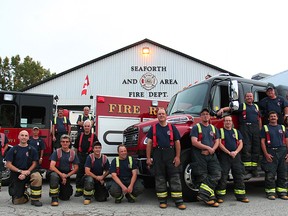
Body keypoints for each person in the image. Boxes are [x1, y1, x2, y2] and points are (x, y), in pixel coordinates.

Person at [146, 108, 186, 210]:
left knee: (175, 178)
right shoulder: (153, 128)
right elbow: (149, 143)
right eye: (159, 114)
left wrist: (177, 157)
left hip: (170, 154)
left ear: (166, 115)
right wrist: (148, 158)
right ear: (157, 116)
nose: (161, 115)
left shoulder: (172, 128)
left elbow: (177, 142)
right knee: (160, 178)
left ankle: (178, 201)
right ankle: (162, 201)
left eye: (163, 114)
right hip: (158, 154)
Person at [217, 92, 262, 177]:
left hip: (255, 129)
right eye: (247, 96)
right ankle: (247, 169)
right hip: (245, 128)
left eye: (251, 96)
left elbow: (259, 119)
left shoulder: (256, 107)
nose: (249, 98)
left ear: (253, 98)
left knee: (256, 148)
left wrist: (260, 129)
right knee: (246, 147)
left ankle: (254, 169)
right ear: (245, 98)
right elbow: (231, 108)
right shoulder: (242, 106)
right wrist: (222, 109)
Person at [190, 108, 221, 207]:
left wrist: (212, 150)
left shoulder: (213, 128)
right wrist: (208, 148)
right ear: (200, 116)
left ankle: (203, 194)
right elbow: (194, 142)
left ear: (209, 116)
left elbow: (217, 141)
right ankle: (210, 198)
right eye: (203, 114)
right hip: (199, 155)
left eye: (207, 114)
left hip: (211, 155)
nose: (205, 116)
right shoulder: (196, 127)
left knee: (217, 174)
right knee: (202, 176)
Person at [215, 115, 249, 203]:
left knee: (239, 176)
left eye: (229, 120)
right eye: (226, 120)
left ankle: (241, 196)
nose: (228, 122)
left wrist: (235, 152)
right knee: (223, 176)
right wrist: (228, 152)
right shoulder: (220, 131)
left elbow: (241, 143)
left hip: (236, 156)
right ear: (224, 122)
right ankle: (220, 196)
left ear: (232, 122)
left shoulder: (236, 132)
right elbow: (219, 144)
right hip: (224, 156)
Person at [5, 130, 43, 206]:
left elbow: (35, 163)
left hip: (29, 172)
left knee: (37, 177)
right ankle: (26, 194)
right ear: (18, 137)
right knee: (17, 201)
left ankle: (35, 199)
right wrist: (20, 171)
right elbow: (8, 164)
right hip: (17, 174)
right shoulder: (13, 149)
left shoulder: (32, 150)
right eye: (22, 135)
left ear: (28, 138)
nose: (24, 137)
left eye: (26, 136)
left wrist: (27, 171)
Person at [260, 111, 288, 200]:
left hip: (282, 151)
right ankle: (270, 192)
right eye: (271, 116)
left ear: (277, 118)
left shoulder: (282, 128)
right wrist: (266, 154)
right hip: (271, 151)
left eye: (274, 116)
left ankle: (282, 192)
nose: (273, 118)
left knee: (282, 173)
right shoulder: (265, 128)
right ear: (268, 118)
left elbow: (287, 141)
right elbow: (262, 142)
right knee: (270, 174)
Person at [48, 134, 79, 206]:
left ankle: (62, 190)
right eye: (63, 141)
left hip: (66, 174)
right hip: (56, 172)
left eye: (67, 142)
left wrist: (67, 176)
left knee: (65, 197)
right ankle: (54, 198)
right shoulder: (57, 152)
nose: (65, 143)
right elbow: (52, 166)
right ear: (60, 142)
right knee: (54, 177)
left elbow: (76, 168)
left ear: (69, 143)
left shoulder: (73, 153)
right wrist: (61, 175)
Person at [74, 119, 99, 197]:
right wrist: (75, 158)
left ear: (90, 127)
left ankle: (90, 188)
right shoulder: (80, 135)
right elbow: (75, 147)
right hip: (81, 156)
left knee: (90, 173)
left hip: (90, 156)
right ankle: (79, 190)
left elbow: (97, 147)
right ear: (83, 127)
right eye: (85, 126)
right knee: (79, 173)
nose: (87, 127)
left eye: (88, 126)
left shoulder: (93, 136)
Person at [0, 124, 9, 191]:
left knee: (0, 170)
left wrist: (4, 150)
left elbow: (6, 144)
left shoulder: (3, 136)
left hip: (0, 154)